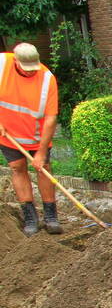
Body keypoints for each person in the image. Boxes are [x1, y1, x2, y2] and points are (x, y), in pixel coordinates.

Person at [0, 42, 63, 236]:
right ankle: (30, 217)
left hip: (37, 136)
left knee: (44, 169)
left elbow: (51, 118)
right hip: (9, 134)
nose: (30, 72)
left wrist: (42, 152)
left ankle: (51, 217)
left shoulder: (46, 79)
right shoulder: (2, 64)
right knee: (18, 167)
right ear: (16, 61)